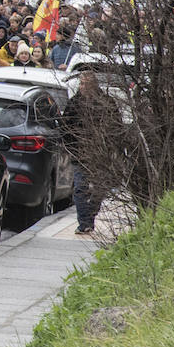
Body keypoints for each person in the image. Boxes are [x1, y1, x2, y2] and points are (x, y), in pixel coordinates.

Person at [61, 73, 119, 235]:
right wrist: (72, 148)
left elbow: (116, 127)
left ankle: (90, 215)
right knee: (80, 188)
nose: (83, 87)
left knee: (100, 188)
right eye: (81, 84)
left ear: (94, 86)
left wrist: (109, 147)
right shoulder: (74, 104)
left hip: (101, 155)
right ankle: (84, 222)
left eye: (86, 84)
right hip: (80, 154)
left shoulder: (106, 103)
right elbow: (66, 129)